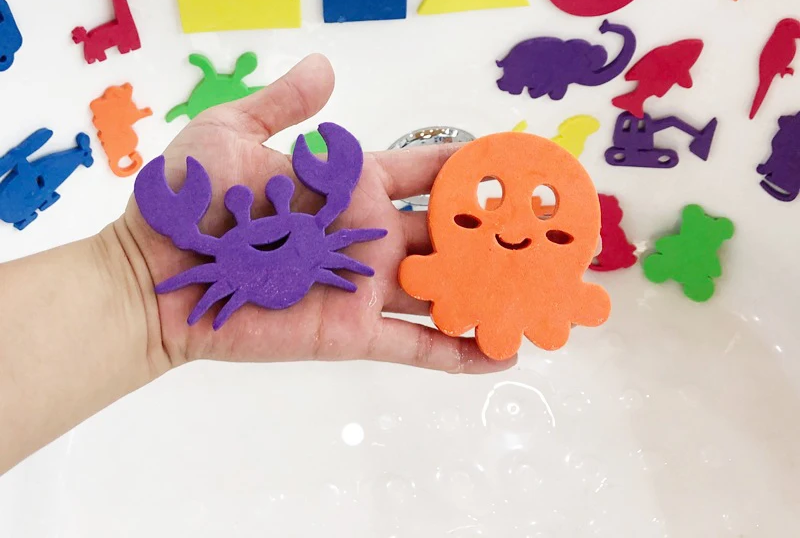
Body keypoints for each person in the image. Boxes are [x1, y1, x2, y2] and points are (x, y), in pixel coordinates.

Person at [0, 54, 514, 475]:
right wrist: (134, 281)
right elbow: (350, 236)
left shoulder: (240, 257)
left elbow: (357, 239)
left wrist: (133, 288)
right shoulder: (316, 237)